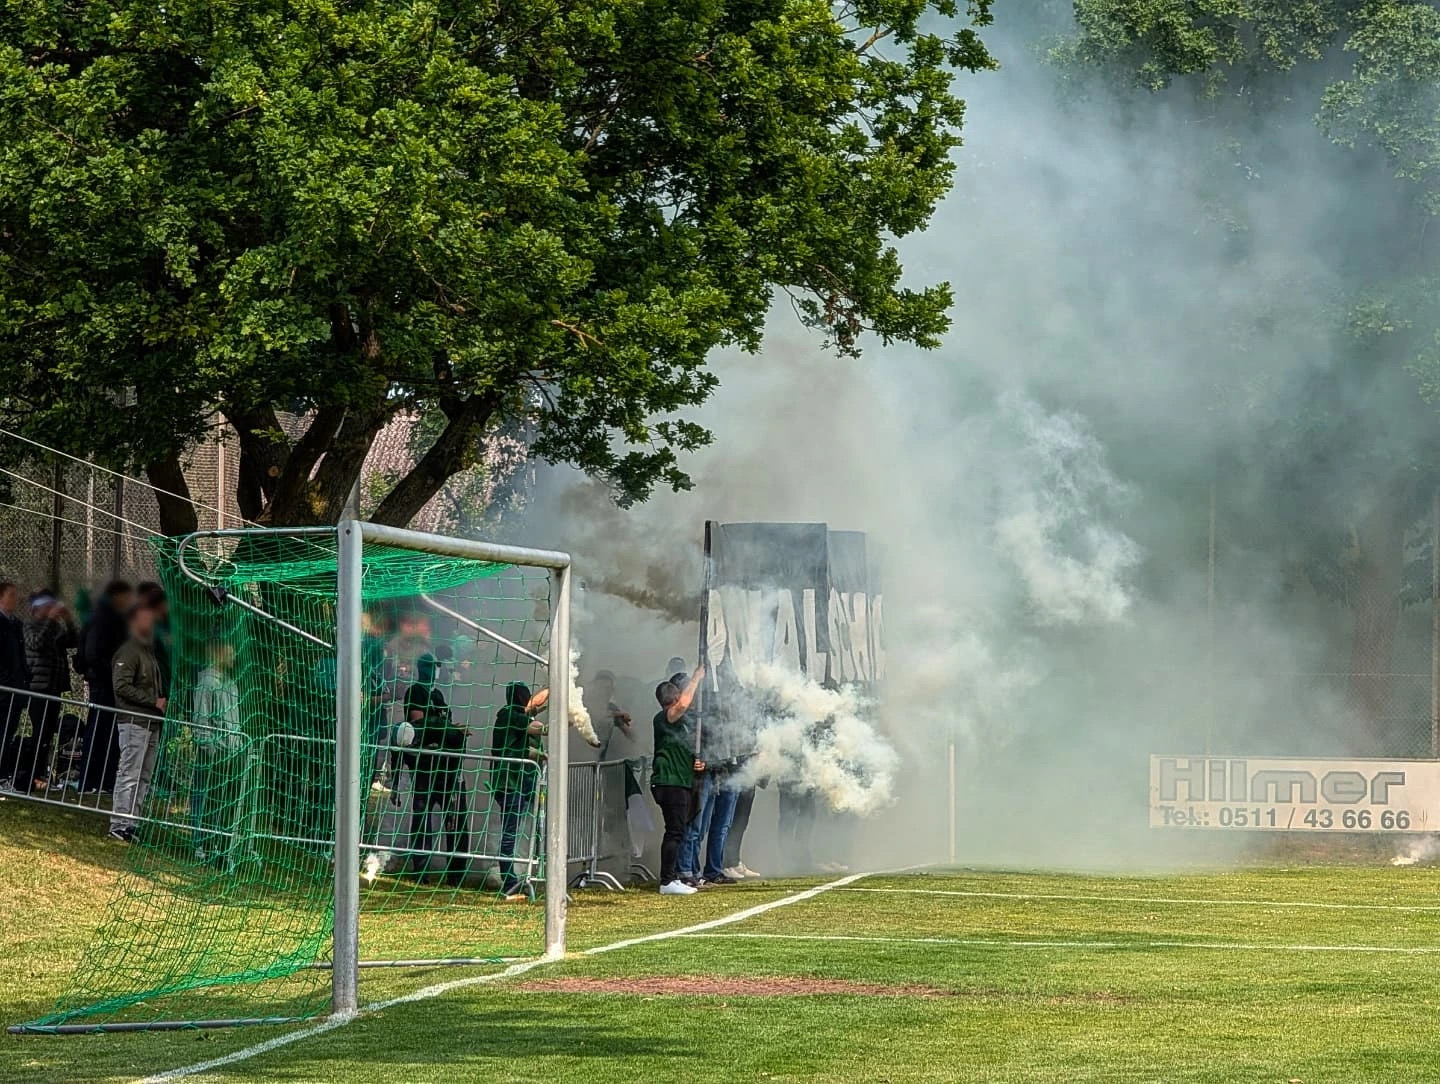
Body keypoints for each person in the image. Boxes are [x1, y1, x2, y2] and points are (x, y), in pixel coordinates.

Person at [403, 653, 471, 885]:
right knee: (422, 819)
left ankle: (456, 876)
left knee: (456, 820)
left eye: (437, 667)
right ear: (423, 668)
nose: (435, 671)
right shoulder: (415, 692)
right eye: (432, 667)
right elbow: (419, 723)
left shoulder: (438, 694)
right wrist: (445, 729)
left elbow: (443, 724)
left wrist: (454, 729)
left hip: (448, 767)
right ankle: (421, 871)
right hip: (426, 767)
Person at [109, 600, 166, 841]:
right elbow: (120, 686)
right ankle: (119, 823)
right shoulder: (129, 651)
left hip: (151, 723)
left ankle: (132, 822)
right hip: (134, 721)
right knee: (129, 773)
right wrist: (152, 701)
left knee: (144, 775)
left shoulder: (149, 652)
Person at [489, 681, 548, 899]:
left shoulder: (516, 715)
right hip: (509, 782)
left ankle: (529, 875)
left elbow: (524, 749)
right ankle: (509, 883)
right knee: (509, 834)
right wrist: (562, 725)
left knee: (531, 827)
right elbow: (538, 728)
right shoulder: (508, 714)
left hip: (522, 781)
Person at [651, 665, 705, 896]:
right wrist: (696, 678)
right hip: (669, 782)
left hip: (681, 781)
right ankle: (667, 880)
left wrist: (698, 764)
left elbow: (684, 749)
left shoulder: (681, 722)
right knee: (674, 831)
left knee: (679, 830)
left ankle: (672, 877)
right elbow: (681, 706)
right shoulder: (664, 717)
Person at [75, 580, 132, 794]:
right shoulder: (102, 619)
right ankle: (89, 780)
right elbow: (92, 653)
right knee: (98, 731)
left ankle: (105, 781)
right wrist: (112, 673)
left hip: (109, 683)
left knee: (109, 733)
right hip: (103, 683)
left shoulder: (112, 618)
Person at [191, 640, 243, 865]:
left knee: (221, 801)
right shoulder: (207, 682)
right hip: (211, 753)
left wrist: (237, 746)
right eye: (230, 653)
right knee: (203, 798)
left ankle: (215, 844)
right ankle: (199, 844)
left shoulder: (232, 684)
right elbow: (200, 719)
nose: (233, 657)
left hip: (230, 754)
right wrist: (209, 747)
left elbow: (235, 721)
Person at [18, 593, 77, 792]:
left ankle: (41, 773)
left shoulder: (55, 627)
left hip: (54, 688)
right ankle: (28, 775)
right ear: (38, 608)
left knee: (48, 733)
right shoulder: (29, 625)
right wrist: (50, 621)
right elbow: (36, 643)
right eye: (47, 606)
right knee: (39, 731)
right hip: (37, 688)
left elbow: (72, 641)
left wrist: (68, 620)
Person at [593, 670, 653, 859]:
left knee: (622, 805)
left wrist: (647, 747)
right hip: (584, 764)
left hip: (604, 766)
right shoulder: (586, 705)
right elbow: (598, 716)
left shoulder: (612, 708)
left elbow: (628, 731)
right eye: (601, 688)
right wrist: (618, 714)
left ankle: (621, 850)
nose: (604, 692)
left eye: (608, 688)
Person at [0, 582, 29, 790]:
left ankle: (3, 775)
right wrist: (6, 681)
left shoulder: (16, 624)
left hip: (16, 690)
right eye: (11, 595)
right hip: (4, 689)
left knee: (8, 733)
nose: (15, 599)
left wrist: (24, 679)